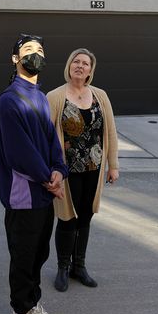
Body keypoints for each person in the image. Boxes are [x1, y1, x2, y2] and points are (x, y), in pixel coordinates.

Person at [0, 34, 69, 314]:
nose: (35, 55)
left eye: (40, 50)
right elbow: (19, 151)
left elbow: (52, 140)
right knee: (24, 255)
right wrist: (47, 178)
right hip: (23, 194)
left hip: (43, 190)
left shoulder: (40, 96)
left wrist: (59, 170)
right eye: (28, 51)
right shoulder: (10, 100)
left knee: (39, 253)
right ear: (16, 59)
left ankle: (33, 303)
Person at [47, 48, 119, 292]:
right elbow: (47, 136)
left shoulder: (100, 96)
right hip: (67, 171)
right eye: (75, 62)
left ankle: (80, 266)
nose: (80, 66)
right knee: (68, 218)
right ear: (69, 66)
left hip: (94, 169)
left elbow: (110, 132)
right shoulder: (55, 96)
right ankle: (62, 268)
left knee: (86, 216)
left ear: (91, 70)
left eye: (85, 63)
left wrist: (113, 165)